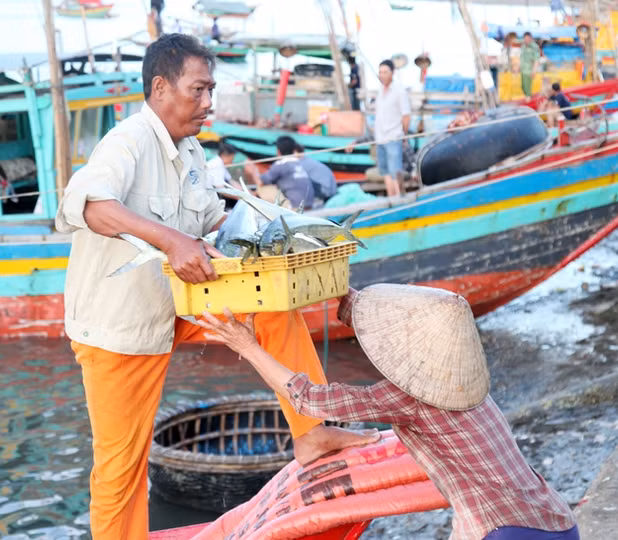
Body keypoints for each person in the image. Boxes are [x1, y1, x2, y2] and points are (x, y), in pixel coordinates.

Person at [54, 34, 377, 540]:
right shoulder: (128, 141)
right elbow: (90, 206)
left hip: (180, 303)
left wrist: (295, 246)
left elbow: (220, 221)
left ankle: (311, 434)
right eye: (199, 90)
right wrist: (173, 240)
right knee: (121, 470)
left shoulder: (192, 152)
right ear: (160, 88)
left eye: (212, 91)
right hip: (120, 329)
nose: (209, 104)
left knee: (272, 308)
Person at [199, 284, 580, 540]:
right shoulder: (466, 383)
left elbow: (309, 398)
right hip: (556, 518)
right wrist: (339, 292)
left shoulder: (409, 400)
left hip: (509, 531)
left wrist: (248, 346)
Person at [373, 59, 411, 197]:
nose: (382, 75)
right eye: (380, 72)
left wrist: (404, 135)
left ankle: (400, 199)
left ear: (392, 73)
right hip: (380, 138)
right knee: (385, 172)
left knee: (396, 172)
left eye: (385, 72)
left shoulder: (399, 90)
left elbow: (406, 115)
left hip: (394, 137)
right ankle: (391, 199)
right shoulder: (379, 91)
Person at [246, 136, 314, 209]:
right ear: (294, 150)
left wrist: (253, 170)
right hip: (309, 205)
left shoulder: (280, 164)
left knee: (263, 188)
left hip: (295, 207)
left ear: (278, 151)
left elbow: (260, 182)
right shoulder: (299, 163)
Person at [520, 31, 541, 97]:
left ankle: (528, 100)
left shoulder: (534, 47)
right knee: (523, 87)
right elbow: (522, 58)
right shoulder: (523, 46)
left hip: (529, 70)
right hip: (523, 70)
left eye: (528, 38)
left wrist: (534, 70)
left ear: (531, 38)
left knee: (527, 88)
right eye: (525, 38)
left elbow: (536, 59)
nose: (527, 40)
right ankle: (528, 98)